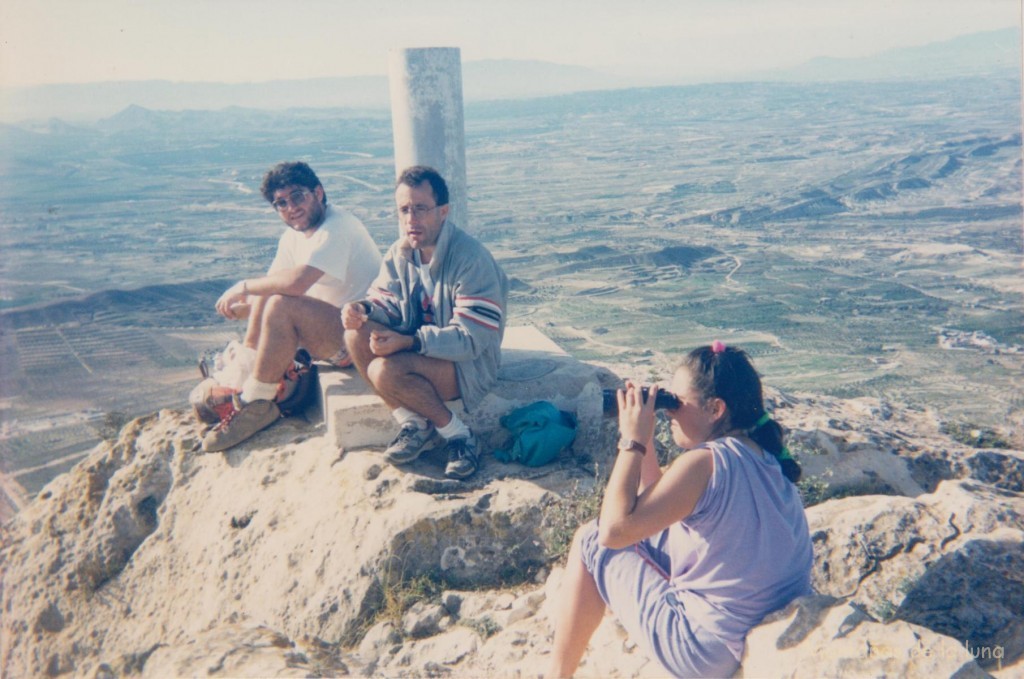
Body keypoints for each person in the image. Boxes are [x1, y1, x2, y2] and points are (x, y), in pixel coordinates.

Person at [547, 341, 812, 678]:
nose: (669, 411)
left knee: (590, 538)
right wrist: (643, 435)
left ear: (716, 409)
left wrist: (632, 443)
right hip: (756, 620)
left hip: (705, 650)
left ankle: (556, 674)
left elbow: (613, 532)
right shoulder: (763, 453)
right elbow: (654, 514)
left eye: (676, 402)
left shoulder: (704, 462)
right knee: (629, 535)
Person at [342, 166, 508, 480]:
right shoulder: (401, 253)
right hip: (427, 354)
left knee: (384, 370)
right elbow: (387, 302)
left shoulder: (470, 260)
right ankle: (413, 423)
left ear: (442, 211)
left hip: (468, 365)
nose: (411, 219)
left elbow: (472, 340)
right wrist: (361, 308)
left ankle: (459, 436)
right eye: (404, 210)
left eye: (421, 209)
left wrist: (411, 342)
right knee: (354, 336)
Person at [203, 161, 382, 452]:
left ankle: (257, 403)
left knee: (280, 300)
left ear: (319, 193)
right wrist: (246, 307)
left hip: (362, 338)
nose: (291, 207)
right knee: (270, 289)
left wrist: (242, 287)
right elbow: (274, 284)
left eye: (298, 196)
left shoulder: (337, 227)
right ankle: (246, 372)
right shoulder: (294, 236)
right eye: (281, 203)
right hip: (331, 329)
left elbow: (295, 286)